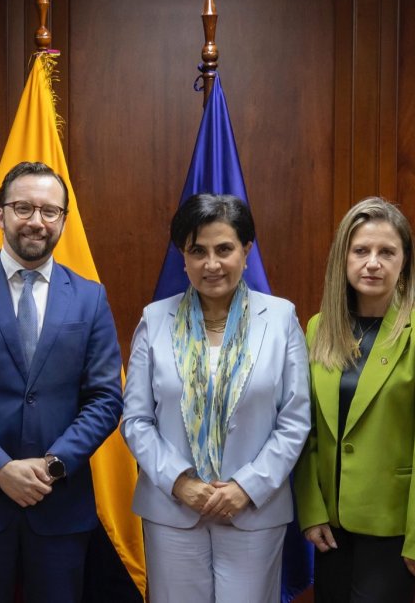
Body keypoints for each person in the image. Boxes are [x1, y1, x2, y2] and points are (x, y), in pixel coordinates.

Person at [0, 161, 123, 603]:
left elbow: (106, 398)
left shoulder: (90, 297)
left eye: (49, 211)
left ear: (63, 222)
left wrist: (53, 465)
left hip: (60, 503)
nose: (37, 220)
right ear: (0, 215)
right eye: (23, 207)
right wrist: (0, 468)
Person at [120, 193, 310, 602]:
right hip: (173, 511)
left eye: (224, 249)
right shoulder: (155, 320)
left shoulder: (280, 319)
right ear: (182, 257)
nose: (211, 264)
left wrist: (246, 487)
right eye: (197, 251)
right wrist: (179, 483)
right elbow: (135, 420)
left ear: (246, 250)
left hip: (253, 511)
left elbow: (294, 420)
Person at [293, 196, 415, 602]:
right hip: (330, 528)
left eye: (387, 252)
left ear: (405, 261)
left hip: (393, 529)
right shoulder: (319, 328)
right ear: (343, 259)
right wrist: (312, 511)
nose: (373, 262)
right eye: (361, 251)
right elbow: (303, 426)